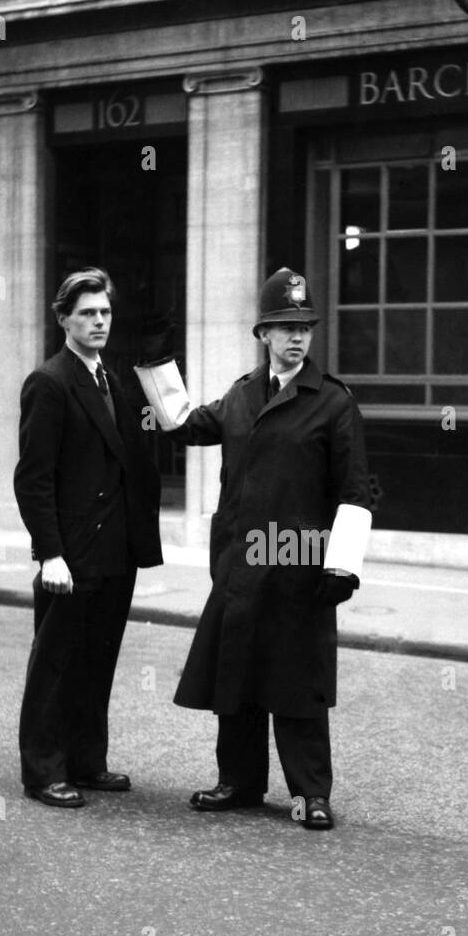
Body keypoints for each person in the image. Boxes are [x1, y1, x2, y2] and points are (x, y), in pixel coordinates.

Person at [144, 268, 372, 832]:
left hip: (299, 565)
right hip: (241, 566)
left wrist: (342, 567)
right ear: (263, 334)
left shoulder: (334, 402)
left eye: (304, 327)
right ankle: (240, 783)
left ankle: (311, 793)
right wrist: (155, 365)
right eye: (284, 327)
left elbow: (355, 490)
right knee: (237, 676)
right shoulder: (242, 395)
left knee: (299, 684)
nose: (297, 337)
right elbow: (184, 424)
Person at [13, 267, 163, 808]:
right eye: (87, 313)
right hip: (72, 554)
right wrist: (49, 552)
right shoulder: (49, 383)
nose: (99, 321)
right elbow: (33, 478)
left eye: (104, 312)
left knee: (98, 660)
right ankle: (43, 771)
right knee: (55, 664)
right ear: (63, 319)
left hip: (114, 551)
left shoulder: (112, 378)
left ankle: (86, 761)